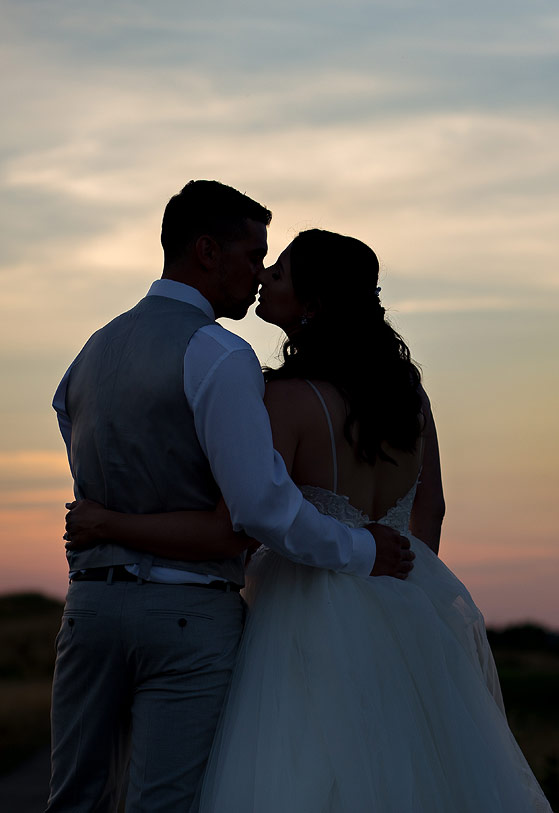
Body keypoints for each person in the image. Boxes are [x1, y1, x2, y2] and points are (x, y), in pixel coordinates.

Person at [65, 229, 552, 811]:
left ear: (314, 304)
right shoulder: (407, 393)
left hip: (301, 614)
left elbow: (246, 522)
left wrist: (111, 525)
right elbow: (432, 508)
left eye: (281, 271)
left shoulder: (286, 399)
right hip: (404, 602)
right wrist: (412, 594)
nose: (265, 276)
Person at [49, 183, 415, 813]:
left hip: (89, 611)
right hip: (188, 616)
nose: (257, 274)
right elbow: (258, 508)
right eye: (252, 256)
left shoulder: (91, 352)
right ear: (207, 251)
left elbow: (88, 464)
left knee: (74, 800)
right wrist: (359, 548)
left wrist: (109, 522)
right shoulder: (219, 354)